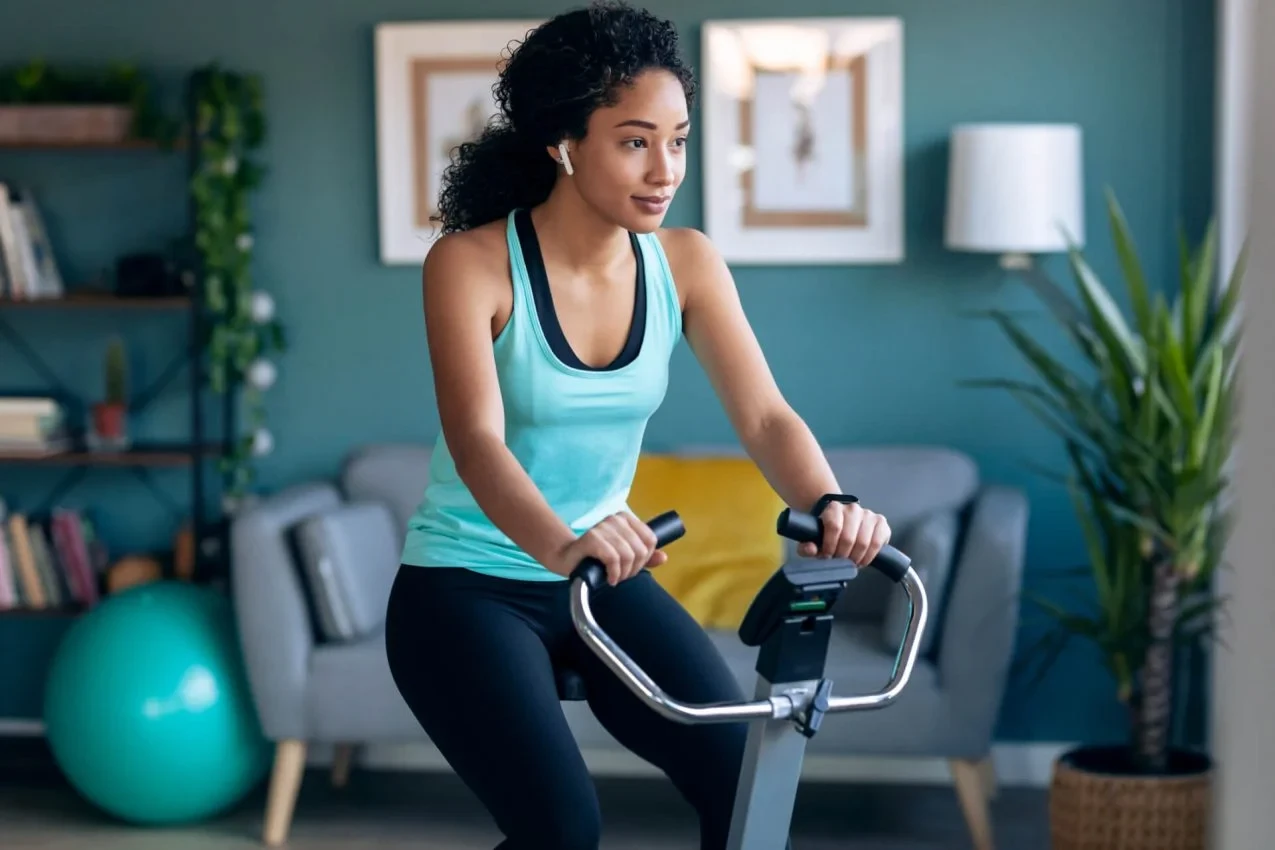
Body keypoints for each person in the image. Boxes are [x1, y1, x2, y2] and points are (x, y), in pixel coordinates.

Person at [382, 3, 893, 848]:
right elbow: (477, 443)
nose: (665, 169)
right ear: (563, 143)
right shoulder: (469, 265)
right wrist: (559, 548)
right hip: (465, 587)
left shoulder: (684, 262)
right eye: (633, 141)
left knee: (743, 788)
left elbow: (765, 416)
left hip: (603, 579)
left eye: (679, 140)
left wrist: (831, 501)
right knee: (560, 828)